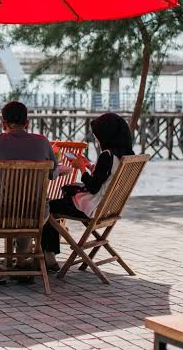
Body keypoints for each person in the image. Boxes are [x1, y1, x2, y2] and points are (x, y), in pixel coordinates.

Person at [0, 101, 59, 276]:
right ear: (27, 123)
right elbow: (54, 173)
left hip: (1, 213)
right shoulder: (43, 142)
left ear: (3, 123)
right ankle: (21, 261)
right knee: (25, 206)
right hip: (36, 213)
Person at [41, 112, 134, 270]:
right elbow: (105, 177)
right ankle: (48, 253)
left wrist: (81, 168)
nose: (96, 139)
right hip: (107, 209)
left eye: (97, 135)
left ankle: (49, 256)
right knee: (57, 202)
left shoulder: (106, 155)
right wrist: (90, 166)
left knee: (47, 207)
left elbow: (93, 187)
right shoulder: (123, 155)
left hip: (91, 208)